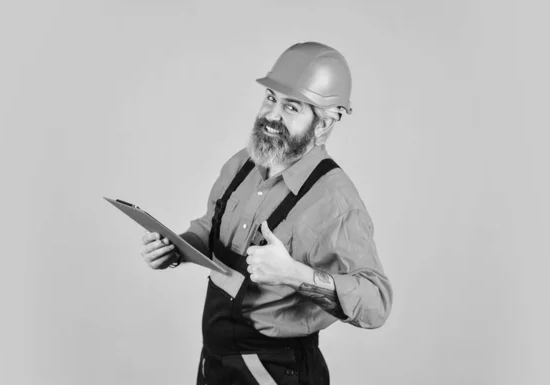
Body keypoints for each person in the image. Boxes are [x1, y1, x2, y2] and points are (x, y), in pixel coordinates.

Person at [139, 42, 393, 385]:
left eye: (291, 107)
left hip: (276, 372)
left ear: (324, 123)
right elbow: (209, 225)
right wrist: (176, 247)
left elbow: (376, 302)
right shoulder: (243, 164)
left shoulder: (335, 201)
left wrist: (294, 274)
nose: (272, 115)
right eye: (271, 98)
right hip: (217, 364)